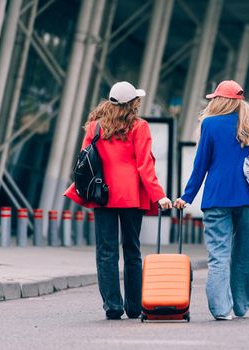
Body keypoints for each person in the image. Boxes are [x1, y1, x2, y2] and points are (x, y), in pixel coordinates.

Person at [64, 81, 172, 320]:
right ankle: (134, 307)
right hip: (131, 196)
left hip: (102, 195)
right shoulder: (139, 127)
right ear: (133, 103)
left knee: (106, 251)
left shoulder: (95, 127)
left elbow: (85, 162)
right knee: (132, 250)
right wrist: (160, 195)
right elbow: (145, 166)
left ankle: (112, 306)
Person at [174, 80, 249, 321]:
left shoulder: (209, 124)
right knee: (243, 255)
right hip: (248, 197)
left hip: (216, 198)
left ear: (219, 100)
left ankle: (220, 310)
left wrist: (186, 197)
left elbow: (201, 166)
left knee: (218, 254)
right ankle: (241, 305)